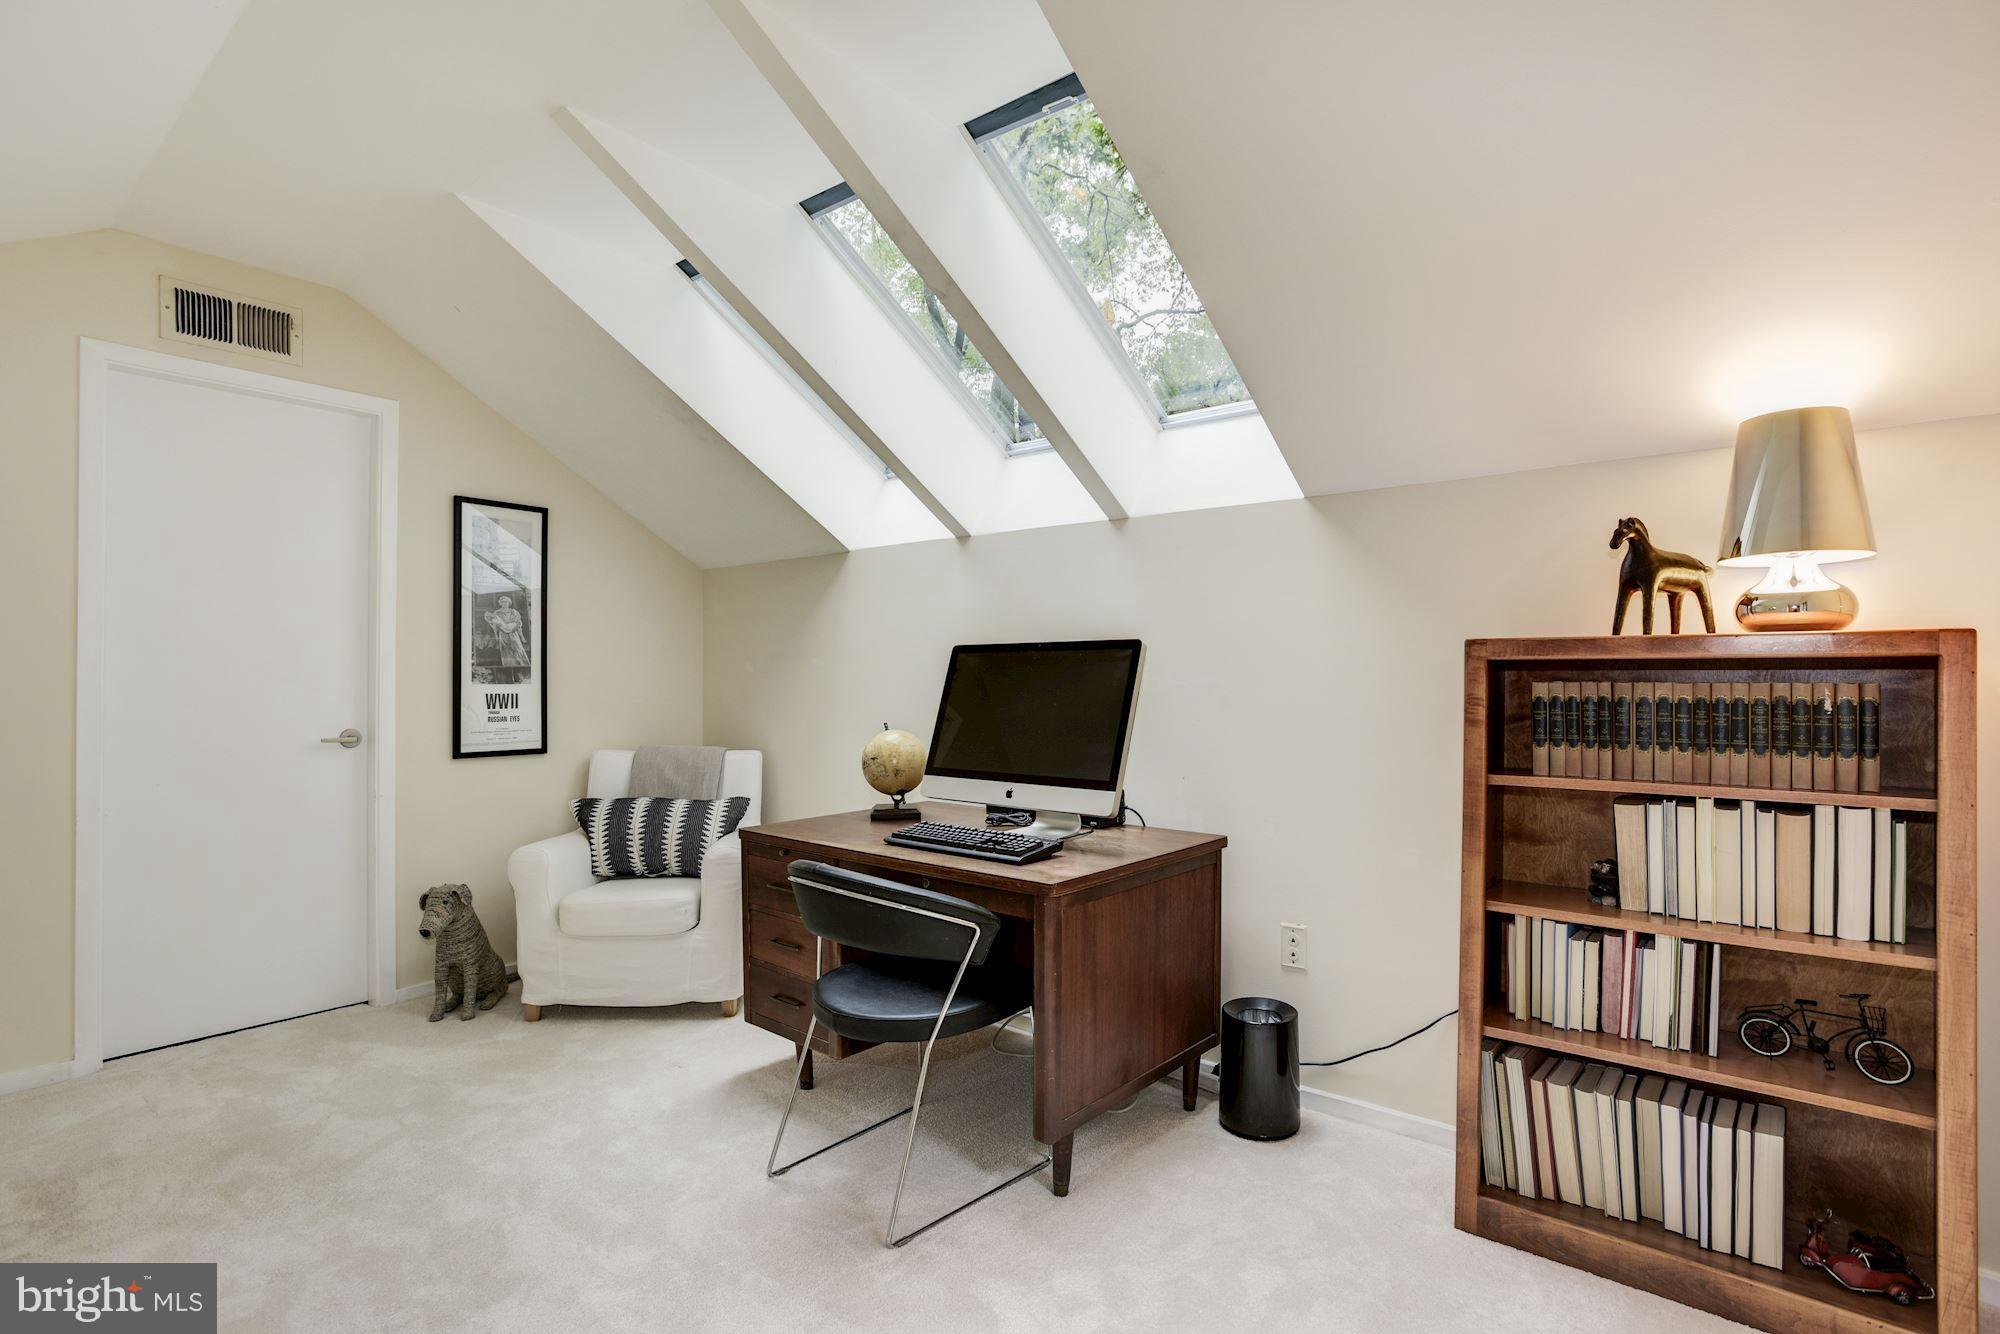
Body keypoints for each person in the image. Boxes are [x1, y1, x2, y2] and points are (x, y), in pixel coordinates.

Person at [483, 594, 529, 676]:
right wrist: (496, 636)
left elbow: (518, 625)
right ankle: (510, 671)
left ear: (509, 603)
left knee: (518, 650)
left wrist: (522, 637)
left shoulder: (514, 612)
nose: (504, 603)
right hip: (503, 635)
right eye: (503, 602)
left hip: (513, 634)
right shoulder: (497, 613)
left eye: (506, 602)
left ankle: (523, 670)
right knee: (506, 653)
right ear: (500, 603)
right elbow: (494, 626)